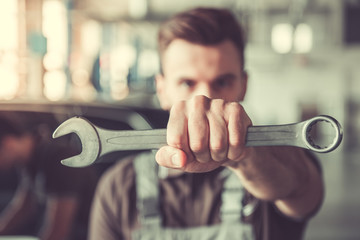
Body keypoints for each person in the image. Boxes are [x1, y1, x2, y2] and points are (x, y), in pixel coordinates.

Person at [89, 7, 323, 240]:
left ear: (244, 85)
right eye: (187, 83)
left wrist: (246, 156)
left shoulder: (279, 162)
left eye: (222, 82)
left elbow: (301, 187)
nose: (205, 100)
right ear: (162, 90)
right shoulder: (118, 189)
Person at [0, 113, 97, 240]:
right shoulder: (29, 160)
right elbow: (24, 206)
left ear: (9, 144)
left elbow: (59, 232)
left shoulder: (60, 159)